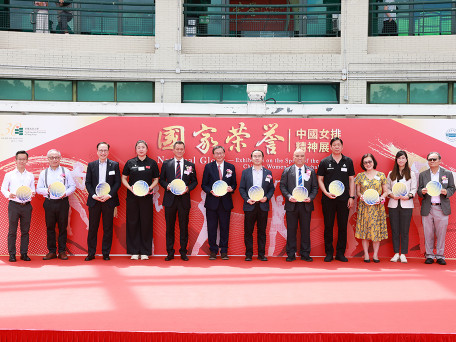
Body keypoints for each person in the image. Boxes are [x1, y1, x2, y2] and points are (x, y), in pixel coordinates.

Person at [317, 137, 355, 262]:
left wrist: (351, 197)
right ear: (330, 147)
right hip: (328, 199)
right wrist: (326, 193)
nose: (337, 147)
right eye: (334, 145)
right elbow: (320, 180)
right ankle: (329, 253)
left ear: (342, 147)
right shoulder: (324, 161)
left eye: (339, 145)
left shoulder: (348, 161)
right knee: (328, 226)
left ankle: (340, 253)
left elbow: (351, 180)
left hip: (344, 199)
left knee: (342, 226)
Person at [159, 141, 198, 261]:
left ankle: (183, 252)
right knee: (169, 227)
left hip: (183, 200)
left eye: (181, 149)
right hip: (170, 200)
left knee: (184, 227)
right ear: (173, 150)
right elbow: (161, 180)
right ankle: (170, 252)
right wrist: (167, 186)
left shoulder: (189, 165)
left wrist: (187, 189)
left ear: (184, 150)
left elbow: (195, 181)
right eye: (177, 149)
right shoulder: (166, 164)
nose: (179, 151)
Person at [121, 140, 159, 260]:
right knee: (132, 223)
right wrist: (129, 188)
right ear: (136, 150)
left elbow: (156, 179)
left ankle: (145, 251)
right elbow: (124, 178)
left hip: (146, 197)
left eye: (143, 147)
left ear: (147, 149)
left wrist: (149, 188)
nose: (141, 149)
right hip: (132, 197)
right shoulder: (130, 162)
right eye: (139, 147)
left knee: (146, 223)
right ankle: (134, 251)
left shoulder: (152, 163)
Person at [36, 149, 76, 260]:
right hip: (49, 202)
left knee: (63, 227)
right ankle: (52, 251)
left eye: (57, 157)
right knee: (50, 227)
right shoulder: (43, 173)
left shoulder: (66, 171)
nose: (54, 159)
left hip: (63, 202)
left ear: (60, 158)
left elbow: (72, 186)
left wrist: (65, 193)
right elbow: (38, 189)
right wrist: (47, 191)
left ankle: (62, 251)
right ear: (48, 159)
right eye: (52, 157)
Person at [280, 148, 318, 262]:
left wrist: (310, 198)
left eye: (302, 156)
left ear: (305, 157)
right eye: (297, 156)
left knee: (305, 230)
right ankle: (291, 254)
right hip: (292, 204)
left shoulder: (310, 171)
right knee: (291, 230)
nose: (299, 158)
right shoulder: (287, 171)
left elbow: (315, 187)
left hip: (306, 205)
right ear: (293, 157)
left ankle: (305, 253)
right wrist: (288, 196)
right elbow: (282, 186)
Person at [84, 142, 121, 261]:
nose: (103, 152)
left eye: (105, 150)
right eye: (101, 150)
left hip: (108, 200)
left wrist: (109, 195)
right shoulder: (91, 165)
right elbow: (88, 183)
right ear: (97, 152)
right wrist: (94, 195)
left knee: (108, 228)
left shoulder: (114, 165)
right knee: (93, 228)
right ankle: (91, 253)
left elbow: (117, 183)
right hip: (94, 200)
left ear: (108, 152)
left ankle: (106, 253)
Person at [418, 152, 455, 265]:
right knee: (427, 233)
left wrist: (446, 192)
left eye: (434, 159)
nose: (432, 161)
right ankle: (429, 255)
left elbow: (452, 188)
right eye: (430, 159)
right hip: (428, 208)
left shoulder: (447, 174)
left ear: (440, 160)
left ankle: (440, 256)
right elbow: (419, 190)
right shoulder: (423, 174)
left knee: (441, 233)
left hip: (441, 207)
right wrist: (422, 192)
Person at [201, 145, 237, 260]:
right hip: (212, 202)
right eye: (217, 153)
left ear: (224, 154)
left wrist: (232, 189)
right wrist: (210, 191)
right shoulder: (208, 167)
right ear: (213, 155)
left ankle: (224, 251)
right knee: (211, 227)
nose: (219, 155)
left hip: (225, 202)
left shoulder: (230, 167)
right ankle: (213, 250)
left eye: (221, 153)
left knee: (224, 227)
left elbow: (234, 184)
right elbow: (204, 184)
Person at [239, 149, 275, 261]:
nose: (257, 158)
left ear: (263, 158)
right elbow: (242, 188)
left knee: (262, 231)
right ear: (251, 158)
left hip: (263, 206)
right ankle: (249, 254)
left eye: (259, 156)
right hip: (250, 205)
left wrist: (267, 198)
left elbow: (271, 188)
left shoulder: (268, 173)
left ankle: (261, 254)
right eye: (255, 156)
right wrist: (247, 199)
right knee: (248, 231)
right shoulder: (246, 172)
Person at [1, 151, 35, 262]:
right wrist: (8, 194)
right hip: (14, 205)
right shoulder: (9, 174)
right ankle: (12, 254)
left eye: (24, 159)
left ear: (27, 161)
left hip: (26, 206)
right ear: (15, 160)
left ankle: (24, 254)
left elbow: (32, 189)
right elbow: (3, 188)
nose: (21, 161)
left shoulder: (30, 175)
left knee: (25, 231)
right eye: (19, 159)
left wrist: (33, 193)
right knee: (12, 231)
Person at [354, 153, 388, 263]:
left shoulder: (381, 175)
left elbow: (386, 191)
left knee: (376, 232)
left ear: (373, 162)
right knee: (365, 232)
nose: (368, 164)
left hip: (377, 208)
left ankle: (376, 255)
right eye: (365, 162)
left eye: (370, 161)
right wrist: (361, 197)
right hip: (364, 207)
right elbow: (358, 192)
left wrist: (381, 197)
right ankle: (366, 255)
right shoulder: (360, 176)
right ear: (363, 164)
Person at [386, 151, 417, 263]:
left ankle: (403, 254)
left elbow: (414, 189)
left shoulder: (411, 173)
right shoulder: (391, 173)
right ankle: (395, 253)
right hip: (393, 205)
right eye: (399, 158)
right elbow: (387, 188)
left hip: (406, 205)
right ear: (396, 160)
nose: (401, 160)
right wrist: (391, 195)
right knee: (394, 230)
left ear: (406, 159)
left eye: (403, 158)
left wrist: (408, 196)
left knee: (404, 231)